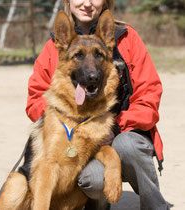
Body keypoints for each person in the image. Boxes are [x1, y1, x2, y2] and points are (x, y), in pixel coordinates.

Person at [25, 0, 170, 209]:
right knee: (92, 179)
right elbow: (35, 98)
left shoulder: (127, 37)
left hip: (124, 132)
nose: (86, 3)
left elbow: (150, 94)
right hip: (80, 138)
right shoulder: (55, 45)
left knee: (127, 146)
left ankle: (155, 206)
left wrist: (117, 125)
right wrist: (62, 122)